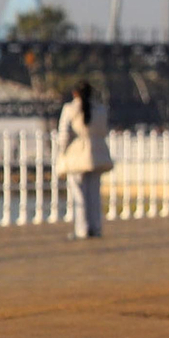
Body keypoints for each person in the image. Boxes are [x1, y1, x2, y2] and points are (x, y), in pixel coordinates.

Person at [56, 81, 113, 239]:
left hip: (77, 154)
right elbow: (104, 131)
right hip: (96, 153)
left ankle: (82, 229)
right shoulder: (101, 110)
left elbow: (64, 134)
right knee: (94, 194)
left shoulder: (70, 109)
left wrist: (62, 152)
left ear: (75, 94)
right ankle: (96, 227)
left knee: (79, 195)